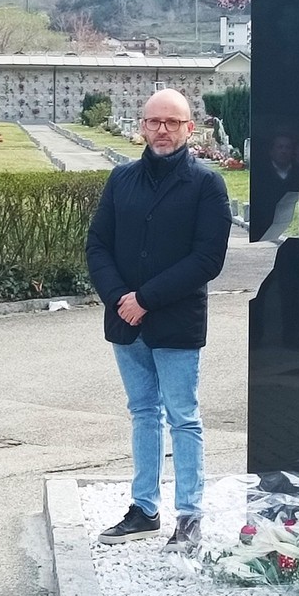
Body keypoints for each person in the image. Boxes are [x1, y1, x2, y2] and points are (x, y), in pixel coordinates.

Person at [86, 88, 231, 553]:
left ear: (190, 128)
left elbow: (207, 258)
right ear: (142, 126)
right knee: (142, 414)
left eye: (172, 122)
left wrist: (145, 298)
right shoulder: (121, 179)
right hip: (126, 323)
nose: (162, 130)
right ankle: (143, 508)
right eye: (154, 121)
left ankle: (189, 515)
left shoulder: (206, 185)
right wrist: (118, 299)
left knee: (183, 417)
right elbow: (98, 246)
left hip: (174, 321)